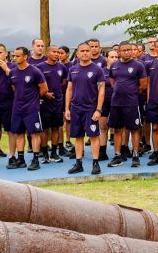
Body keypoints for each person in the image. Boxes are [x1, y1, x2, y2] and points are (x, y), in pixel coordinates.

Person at [65, 42, 106, 175]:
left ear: (91, 52)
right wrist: (67, 108)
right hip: (76, 108)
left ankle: (95, 163)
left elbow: (102, 91)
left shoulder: (97, 69)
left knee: (94, 136)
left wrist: (98, 109)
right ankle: (78, 163)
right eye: (82, 51)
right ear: (77, 53)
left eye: (87, 50)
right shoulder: (73, 69)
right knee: (78, 136)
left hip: (91, 109)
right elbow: (69, 89)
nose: (85, 53)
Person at [7, 47, 51, 171]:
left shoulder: (34, 71)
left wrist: (34, 98)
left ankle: (36, 159)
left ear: (25, 56)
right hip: (17, 108)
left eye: (17, 56)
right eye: (14, 56)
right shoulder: (13, 72)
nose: (14, 58)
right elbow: (14, 88)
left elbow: (44, 88)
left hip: (31, 108)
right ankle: (21, 159)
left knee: (34, 134)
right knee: (18, 133)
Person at [108, 42, 147, 168]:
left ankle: (135, 155)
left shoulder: (138, 66)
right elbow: (113, 82)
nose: (126, 52)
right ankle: (118, 156)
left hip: (131, 103)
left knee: (134, 129)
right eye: (123, 50)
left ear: (132, 51)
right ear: (119, 51)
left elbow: (143, 85)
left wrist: (131, 93)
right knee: (117, 129)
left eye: (128, 50)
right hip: (116, 103)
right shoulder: (114, 66)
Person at [35, 45, 69, 163]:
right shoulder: (40, 67)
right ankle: (45, 154)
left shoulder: (62, 67)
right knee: (44, 129)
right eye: (54, 52)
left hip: (58, 102)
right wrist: (45, 94)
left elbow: (64, 81)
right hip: (44, 102)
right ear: (47, 53)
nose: (57, 54)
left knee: (56, 128)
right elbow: (36, 85)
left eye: (58, 52)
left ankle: (54, 153)